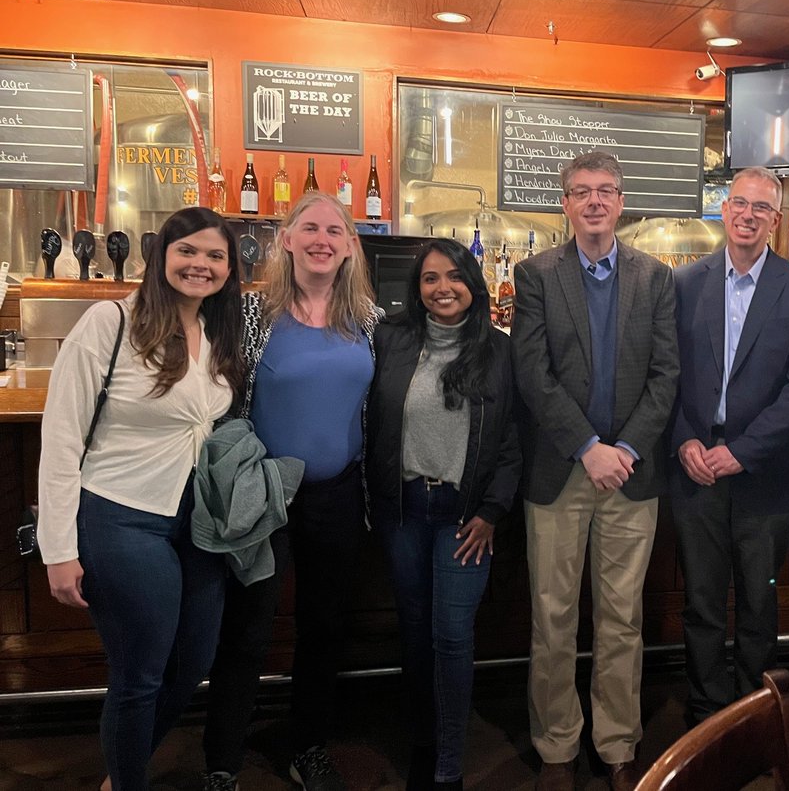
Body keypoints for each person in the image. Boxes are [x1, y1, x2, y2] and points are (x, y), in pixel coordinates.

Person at [38, 207, 243, 791]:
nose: (200, 265)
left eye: (215, 256)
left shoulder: (217, 331)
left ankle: (119, 775)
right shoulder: (109, 322)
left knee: (193, 665)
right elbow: (61, 439)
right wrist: (59, 547)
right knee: (141, 675)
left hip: (197, 521)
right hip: (120, 516)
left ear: (228, 269)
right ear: (160, 257)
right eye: (188, 251)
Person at [512, 150, 679, 791]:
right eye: (582, 191)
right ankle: (557, 745)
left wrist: (626, 449)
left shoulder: (655, 278)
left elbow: (667, 377)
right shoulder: (535, 274)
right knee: (552, 616)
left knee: (622, 618)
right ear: (565, 203)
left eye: (606, 191)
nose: (595, 202)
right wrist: (587, 445)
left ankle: (616, 742)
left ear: (621, 200)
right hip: (561, 469)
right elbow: (532, 373)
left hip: (631, 475)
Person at [202, 192, 378, 791]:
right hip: (266, 493)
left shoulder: (369, 322)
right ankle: (222, 761)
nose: (322, 238)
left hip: (337, 496)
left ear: (350, 243)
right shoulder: (252, 315)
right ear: (287, 239)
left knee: (324, 628)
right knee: (249, 629)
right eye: (310, 228)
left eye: (335, 229)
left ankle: (308, 747)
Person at [670, 166, 789, 725]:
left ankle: (752, 720)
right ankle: (707, 717)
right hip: (696, 473)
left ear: (776, 219)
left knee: (760, 605)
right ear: (723, 208)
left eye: (761, 207)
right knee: (702, 603)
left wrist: (743, 450)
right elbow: (666, 374)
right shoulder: (686, 282)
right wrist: (686, 439)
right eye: (740, 203)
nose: (748, 214)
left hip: (762, 476)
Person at [366, 239, 521, 791]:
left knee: (452, 635)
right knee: (414, 631)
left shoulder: (499, 351)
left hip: (465, 518)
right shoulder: (391, 340)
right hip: (404, 511)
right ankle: (422, 743)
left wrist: (491, 512)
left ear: (474, 284)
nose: (442, 288)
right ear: (417, 288)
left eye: (454, 277)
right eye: (430, 279)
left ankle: (449, 763)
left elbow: (511, 443)